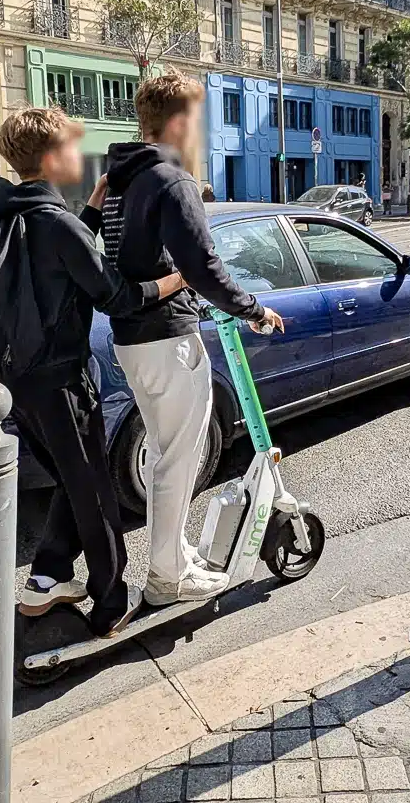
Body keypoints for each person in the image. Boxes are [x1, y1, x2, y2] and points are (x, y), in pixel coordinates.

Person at [0, 108, 184, 636]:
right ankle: (111, 600)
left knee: (71, 480)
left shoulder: (4, 212)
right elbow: (116, 295)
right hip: (61, 382)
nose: (79, 156)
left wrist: (89, 213)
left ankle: (46, 579)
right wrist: (176, 281)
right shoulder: (58, 224)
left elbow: (53, 262)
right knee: (93, 492)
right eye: (71, 146)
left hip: (17, 383)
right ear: (50, 158)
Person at [101, 70, 284, 605]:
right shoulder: (171, 180)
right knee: (180, 457)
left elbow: (124, 256)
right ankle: (167, 577)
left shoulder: (121, 180)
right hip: (167, 338)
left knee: (164, 455)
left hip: (132, 339)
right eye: (198, 120)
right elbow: (202, 264)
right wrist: (252, 308)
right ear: (180, 122)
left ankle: (170, 560)